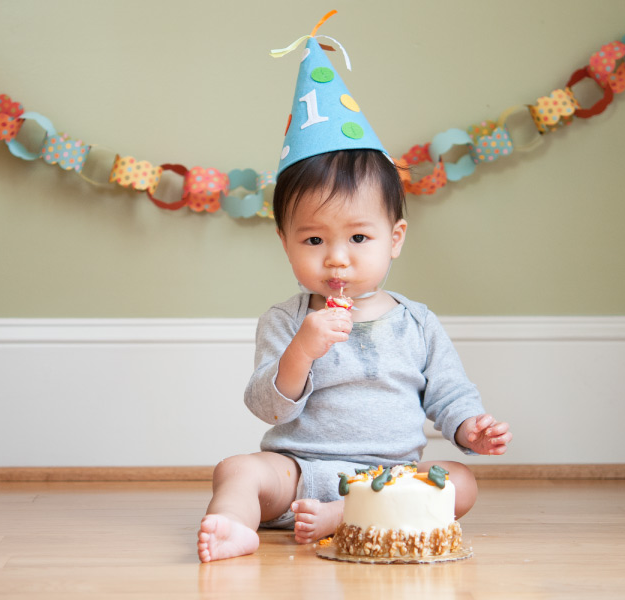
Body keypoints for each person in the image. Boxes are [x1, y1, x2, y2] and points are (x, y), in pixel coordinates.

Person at [196, 149, 513, 563]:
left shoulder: (417, 323)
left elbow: (449, 392)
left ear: (394, 239)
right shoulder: (284, 321)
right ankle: (232, 527)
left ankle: (343, 515)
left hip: (391, 478)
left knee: (460, 482)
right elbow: (267, 408)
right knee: (236, 470)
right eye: (313, 240)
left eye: (358, 238)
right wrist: (301, 351)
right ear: (285, 243)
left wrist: (469, 426)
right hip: (300, 473)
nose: (337, 258)